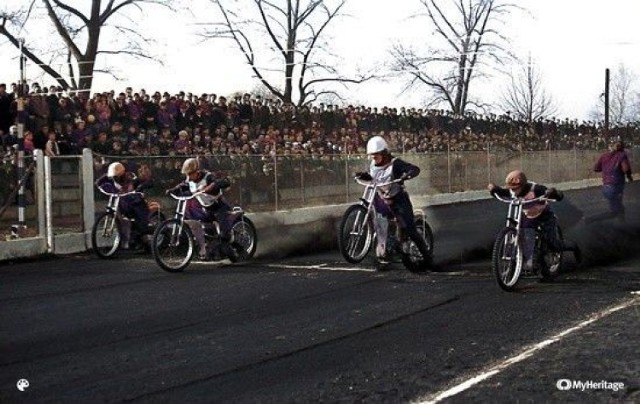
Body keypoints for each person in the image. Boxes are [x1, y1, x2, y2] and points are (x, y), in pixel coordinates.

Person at [355, 135, 432, 268]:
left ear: (384, 153)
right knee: (380, 222)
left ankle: (426, 255)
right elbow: (373, 177)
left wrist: (407, 174)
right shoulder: (373, 165)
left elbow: (414, 169)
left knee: (409, 228)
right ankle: (384, 251)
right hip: (382, 198)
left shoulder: (395, 163)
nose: (374, 158)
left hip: (398, 199)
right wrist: (362, 175)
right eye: (372, 156)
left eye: (376, 155)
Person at [487, 170, 564, 270]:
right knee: (523, 231)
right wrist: (494, 189)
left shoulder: (535, 189)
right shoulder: (512, 191)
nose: (513, 191)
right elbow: (502, 192)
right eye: (511, 188)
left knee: (551, 241)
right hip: (527, 216)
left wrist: (553, 193)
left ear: (523, 185)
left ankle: (563, 248)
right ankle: (523, 258)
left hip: (543, 216)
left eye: (516, 188)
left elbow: (555, 194)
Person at [165, 157, 233, 260]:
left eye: (190, 173)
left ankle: (235, 251)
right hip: (206, 208)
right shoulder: (190, 180)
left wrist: (212, 186)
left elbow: (225, 182)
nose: (188, 177)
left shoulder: (208, 176)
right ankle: (205, 248)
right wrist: (172, 190)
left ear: (197, 171)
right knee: (201, 225)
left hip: (219, 206)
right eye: (187, 174)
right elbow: (183, 186)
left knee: (224, 234)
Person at [95, 161, 151, 250]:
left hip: (134, 201)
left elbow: (140, 182)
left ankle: (146, 241)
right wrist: (101, 187)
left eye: (117, 176)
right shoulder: (110, 177)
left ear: (122, 173)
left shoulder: (130, 176)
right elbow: (99, 182)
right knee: (125, 220)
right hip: (122, 201)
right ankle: (129, 241)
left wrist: (139, 188)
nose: (115, 178)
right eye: (113, 176)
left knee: (140, 223)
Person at [592, 140, 633, 223]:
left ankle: (623, 225)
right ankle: (591, 220)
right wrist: (629, 176)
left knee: (620, 207)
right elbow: (626, 169)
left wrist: (605, 169)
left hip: (606, 187)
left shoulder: (604, 156)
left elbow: (596, 168)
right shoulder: (622, 155)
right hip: (616, 186)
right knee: (614, 212)